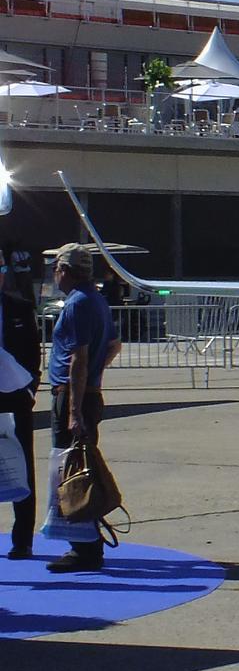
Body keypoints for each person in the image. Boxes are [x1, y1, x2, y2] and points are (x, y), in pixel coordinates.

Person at [43, 245, 117, 573]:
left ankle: (84, 546)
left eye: (56, 268)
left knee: (71, 473)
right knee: (78, 468)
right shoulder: (97, 300)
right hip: (88, 392)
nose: (54, 274)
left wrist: (73, 409)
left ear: (65, 270)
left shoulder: (77, 304)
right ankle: (86, 541)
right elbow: (114, 344)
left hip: (74, 395)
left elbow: (79, 358)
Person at [1, 241, 41, 559]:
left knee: (21, 464)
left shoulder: (19, 306)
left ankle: (22, 539)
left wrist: (30, 390)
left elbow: (33, 350)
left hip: (15, 396)